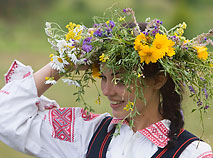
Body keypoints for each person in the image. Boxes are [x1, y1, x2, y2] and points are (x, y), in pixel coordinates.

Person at [0, 8, 212, 158]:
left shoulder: (191, 153)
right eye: (103, 77)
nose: (107, 90)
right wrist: (65, 61)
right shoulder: (87, 134)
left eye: (120, 80)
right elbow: (7, 116)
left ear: (158, 80)